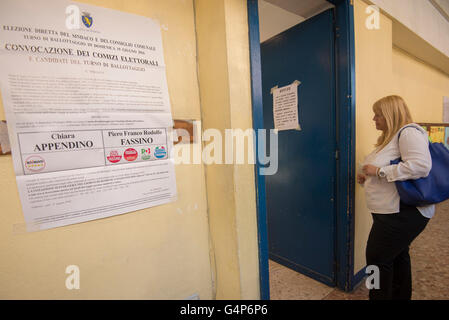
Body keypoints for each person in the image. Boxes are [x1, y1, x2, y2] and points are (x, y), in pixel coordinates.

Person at [357, 95, 434, 300]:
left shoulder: (409, 132)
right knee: (398, 256)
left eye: (378, 114)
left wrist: (379, 171)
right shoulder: (388, 140)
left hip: (402, 213)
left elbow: (420, 166)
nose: (374, 118)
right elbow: (387, 172)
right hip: (389, 211)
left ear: (391, 115)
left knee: (376, 260)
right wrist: (367, 177)